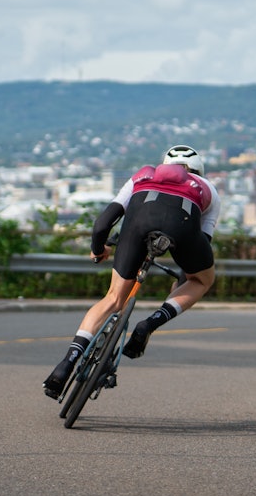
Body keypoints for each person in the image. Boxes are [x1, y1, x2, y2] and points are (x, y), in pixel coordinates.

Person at [43, 145, 223, 400]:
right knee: (203, 280)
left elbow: (103, 223)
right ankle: (149, 324)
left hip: (138, 225)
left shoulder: (143, 175)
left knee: (113, 299)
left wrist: (98, 249)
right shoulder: (208, 189)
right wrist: (184, 282)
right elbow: (200, 244)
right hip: (180, 229)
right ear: (198, 170)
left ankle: (66, 364)